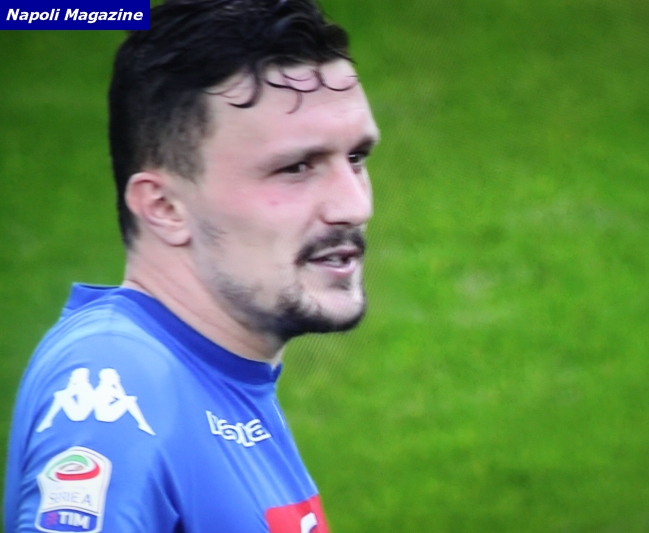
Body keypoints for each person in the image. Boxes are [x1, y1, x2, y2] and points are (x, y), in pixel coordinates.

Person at [3, 0, 379, 531]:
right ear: (165, 208)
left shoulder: (216, 377)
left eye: (356, 158)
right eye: (296, 167)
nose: (354, 206)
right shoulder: (117, 385)